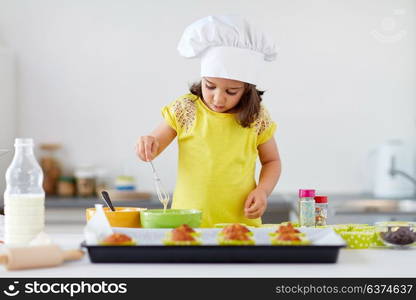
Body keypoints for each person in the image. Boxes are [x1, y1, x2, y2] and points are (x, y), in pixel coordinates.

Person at [136, 15, 281, 227]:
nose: (218, 98)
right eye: (210, 86)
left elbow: (272, 161)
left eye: (231, 91)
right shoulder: (186, 109)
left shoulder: (257, 117)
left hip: (240, 224)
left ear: (247, 90)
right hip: (187, 222)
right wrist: (148, 143)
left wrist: (263, 191)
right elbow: (155, 145)